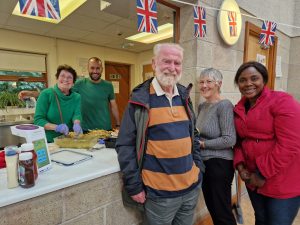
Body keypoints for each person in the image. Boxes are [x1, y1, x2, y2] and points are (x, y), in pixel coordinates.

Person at [116, 43, 204, 225]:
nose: (172, 68)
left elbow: (193, 137)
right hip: (159, 196)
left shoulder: (184, 96)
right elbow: (125, 145)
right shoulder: (140, 100)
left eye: (177, 63)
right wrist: (133, 186)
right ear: (154, 64)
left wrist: (198, 169)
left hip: (190, 190)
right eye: (166, 61)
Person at [233, 61, 300, 225]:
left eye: (254, 78)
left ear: (264, 80)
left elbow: (290, 144)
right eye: (242, 80)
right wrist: (241, 168)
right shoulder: (239, 108)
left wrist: (261, 173)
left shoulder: (283, 101)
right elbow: (239, 141)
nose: (248, 83)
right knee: (261, 219)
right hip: (253, 181)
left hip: (282, 182)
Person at [19, 57, 120, 131]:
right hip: (86, 129)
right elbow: (57, 92)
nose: (95, 71)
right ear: (88, 68)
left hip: (105, 128)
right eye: (92, 68)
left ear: (101, 69)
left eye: (98, 68)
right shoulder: (80, 84)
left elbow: (114, 106)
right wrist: (32, 93)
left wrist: (118, 124)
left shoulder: (107, 86)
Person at [196, 68, 236, 225]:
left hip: (219, 164)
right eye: (201, 81)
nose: (204, 85)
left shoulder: (225, 105)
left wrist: (203, 144)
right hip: (205, 163)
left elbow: (229, 139)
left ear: (219, 84)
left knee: (222, 211)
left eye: (208, 81)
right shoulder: (202, 106)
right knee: (213, 207)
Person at [34, 65, 82, 142]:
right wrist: (56, 127)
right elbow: (38, 120)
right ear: (57, 78)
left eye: (69, 77)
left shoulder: (77, 97)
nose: (66, 79)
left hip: (69, 140)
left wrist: (77, 124)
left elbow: (77, 114)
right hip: (49, 141)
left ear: (73, 82)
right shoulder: (46, 94)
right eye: (62, 76)